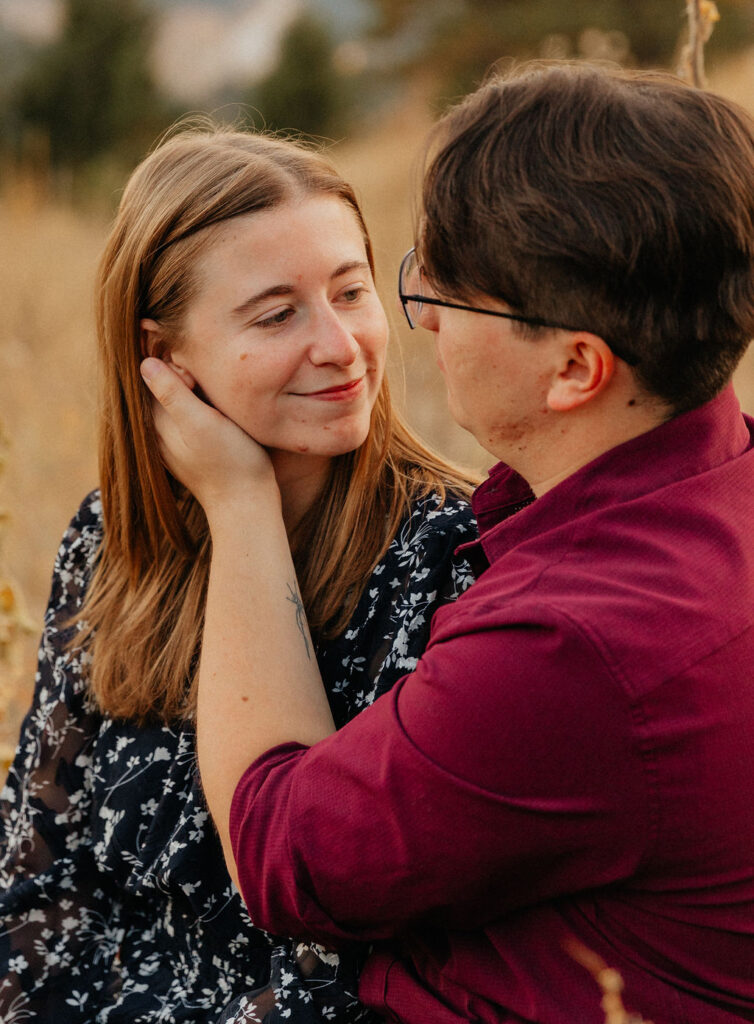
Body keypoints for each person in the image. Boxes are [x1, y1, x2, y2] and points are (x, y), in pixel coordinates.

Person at [142, 63, 754, 1024]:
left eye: (446, 293)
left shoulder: (572, 647)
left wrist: (239, 505)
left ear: (575, 368)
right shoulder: (714, 490)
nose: (415, 316)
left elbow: (280, 852)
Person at [0, 126, 478, 1023]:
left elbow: (373, 956)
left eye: (351, 291)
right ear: (165, 356)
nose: (340, 346)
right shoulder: (111, 547)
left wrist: (243, 506)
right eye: (276, 314)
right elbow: (34, 881)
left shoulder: (452, 558)